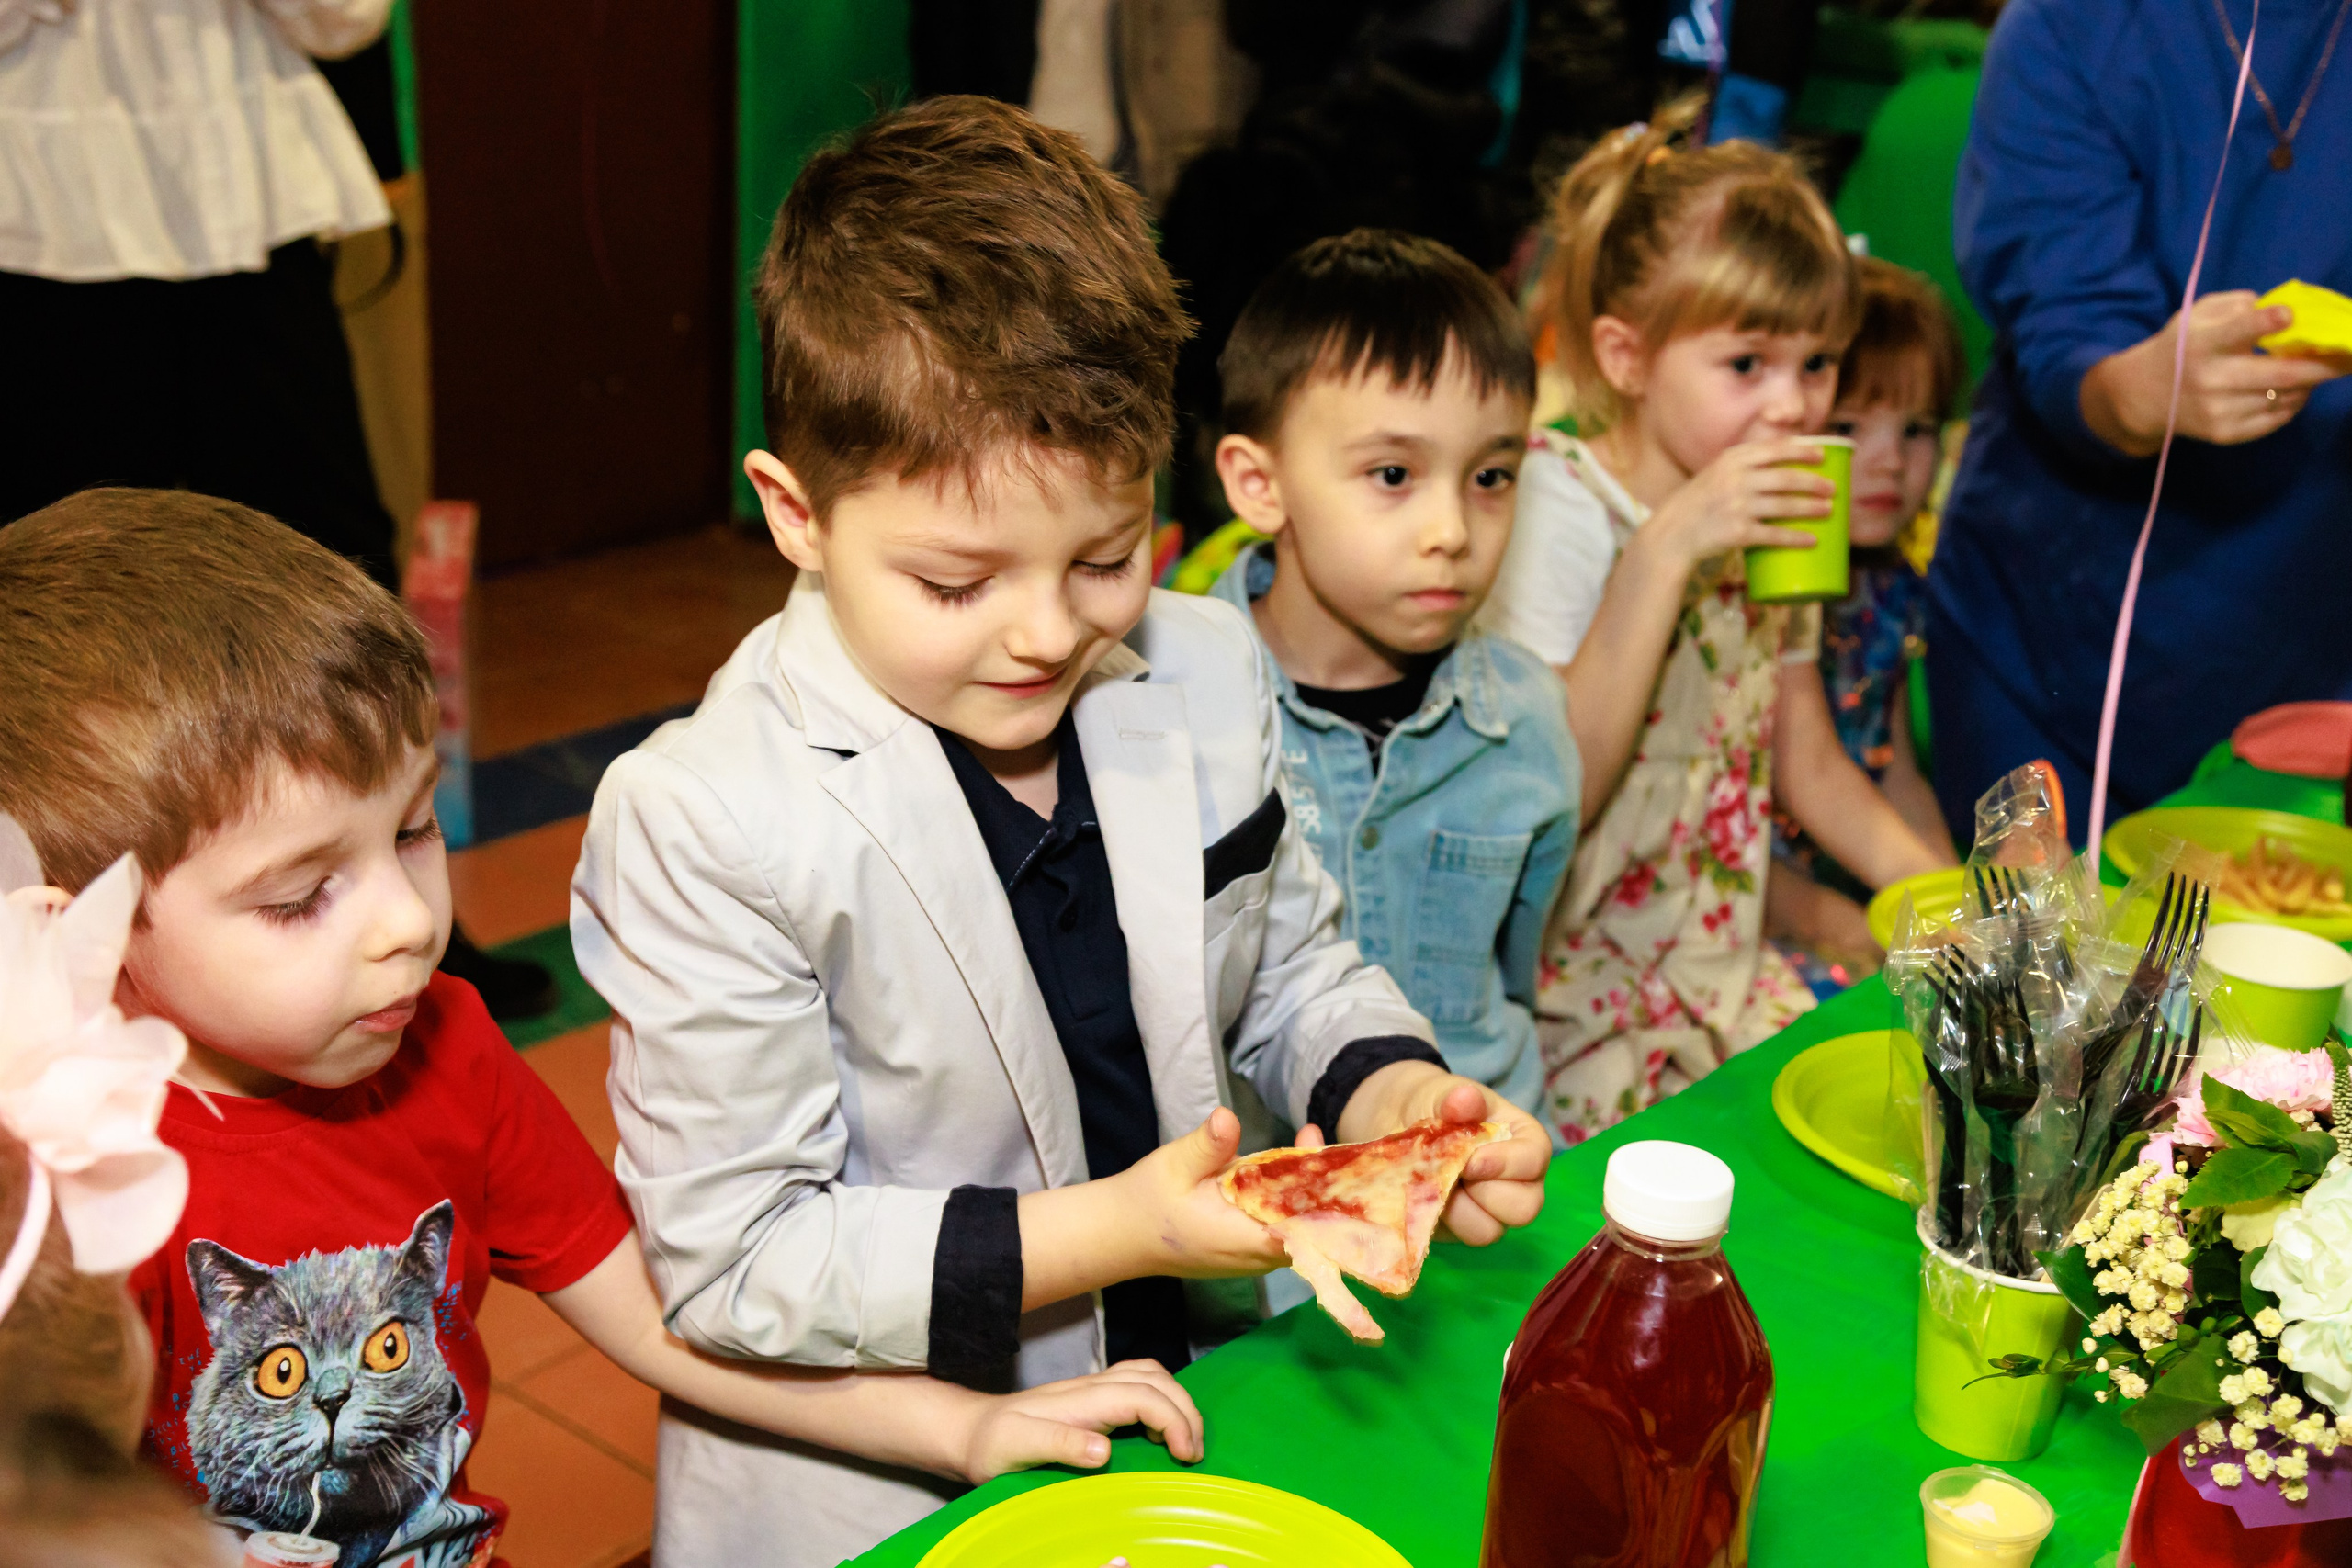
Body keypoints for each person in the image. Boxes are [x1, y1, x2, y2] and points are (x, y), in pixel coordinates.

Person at [571, 96, 1554, 1564]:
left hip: (1192, 1390)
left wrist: (1390, 1092)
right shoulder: (705, 815)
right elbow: (739, 1260)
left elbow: (1290, 967)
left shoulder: (1208, 666)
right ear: (795, 511)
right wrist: (1123, 1230)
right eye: (957, 582)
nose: (1045, 632)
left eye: (1102, 556)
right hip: (897, 1474)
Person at [0, 490, 1209, 1568]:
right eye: (300, 892)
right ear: (80, 928)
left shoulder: (447, 1044)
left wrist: (961, 1421)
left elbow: (654, 1315)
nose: (404, 926)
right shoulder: (58, 1181)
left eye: (413, 832)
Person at [1476, 107, 1951, 1143]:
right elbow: (1553, 794)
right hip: (1573, 1003)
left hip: (1716, 972)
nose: (1792, 407)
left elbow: (1809, 759)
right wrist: (1665, 548)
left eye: (1816, 364)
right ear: (1627, 356)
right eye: (1747, 365)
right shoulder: (1561, 505)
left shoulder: (1774, 516)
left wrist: (1950, 899)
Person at [1936, 0, 2352, 845]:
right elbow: (2070, 336)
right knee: (2041, 974)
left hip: (2308, 655)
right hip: (2057, 647)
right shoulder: (2068, 26)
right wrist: (2139, 391)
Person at [1205, 228, 1580, 1124]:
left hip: (1479, 1183)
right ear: (1260, 485)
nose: (1451, 527)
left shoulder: (1526, 719)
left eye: (1489, 475)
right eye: (1392, 473)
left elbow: (1516, 969)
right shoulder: (1167, 715)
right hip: (1255, 1224)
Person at [1766, 256, 1966, 975]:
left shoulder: (1892, 588)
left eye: (1916, 429)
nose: (1887, 462)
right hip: (1753, 907)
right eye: (1850, 427)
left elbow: (1894, 771)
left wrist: (1960, 902)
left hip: (1843, 886)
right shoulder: (1762, 587)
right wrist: (1835, 921)